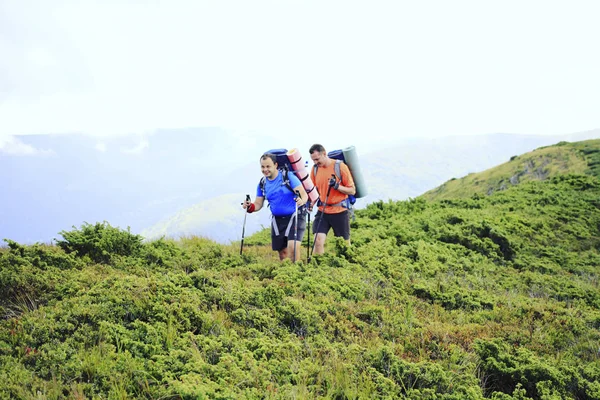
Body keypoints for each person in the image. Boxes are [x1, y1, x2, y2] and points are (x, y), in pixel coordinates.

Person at [243, 153, 309, 261]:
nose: (265, 169)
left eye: (268, 166)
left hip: (295, 215)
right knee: (282, 253)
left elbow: (304, 194)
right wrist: (250, 207)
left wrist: (302, 201)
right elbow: (258, 204)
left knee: (293, 248)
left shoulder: (288, 177)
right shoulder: (262, 183)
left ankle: (298, 274)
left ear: (275, 165)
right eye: (263, 167)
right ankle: (285, 275)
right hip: (277, 220)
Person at [309, 144, 356, 255]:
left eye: (317, 159)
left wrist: (337, 186)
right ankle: (319, 267)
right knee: (318, 240)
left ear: (324, 154)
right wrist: (310, 203)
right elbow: (313, 189)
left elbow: (352, 190)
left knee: (344, 245)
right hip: (323, 210)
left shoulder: (340, 167)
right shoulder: (315, 169)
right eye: (313, 160)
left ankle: (347, 266)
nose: (315, 162)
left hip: (340, 211)